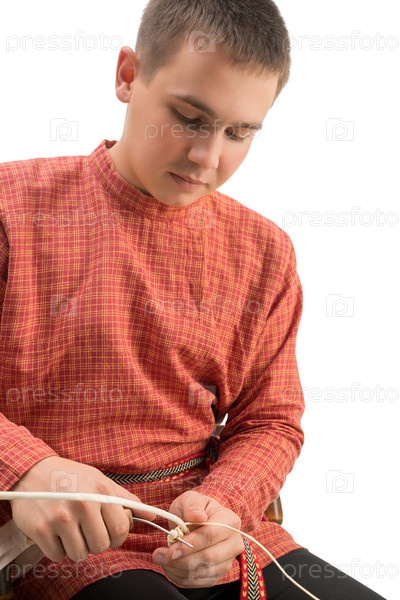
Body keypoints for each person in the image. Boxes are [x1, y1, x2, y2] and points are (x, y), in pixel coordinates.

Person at [0, 1, 386, 598]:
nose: (208, 157)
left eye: (239, 132)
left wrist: (225, 507)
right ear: (128, 76)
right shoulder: (12, 211)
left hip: (208, 537)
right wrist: (29, 468)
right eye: (188, 117)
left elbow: (270, 420)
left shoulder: (264, 252)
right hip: (54, 545)